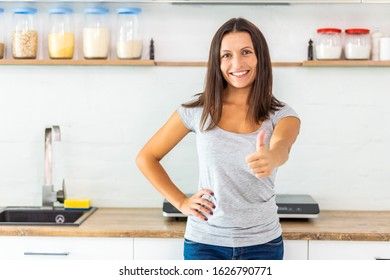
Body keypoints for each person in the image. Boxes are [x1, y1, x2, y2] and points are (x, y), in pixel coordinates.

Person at [136, 17, 300, 260]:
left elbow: (283, 146)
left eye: (246, 52)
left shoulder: (282, 115)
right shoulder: (197, 111)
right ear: (217, 61)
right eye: (226, 55)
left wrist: (272, 158)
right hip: (205, 244)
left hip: (263, 244)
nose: (237, 63)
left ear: (260, 57)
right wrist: (181, 202)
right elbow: (146, 157)